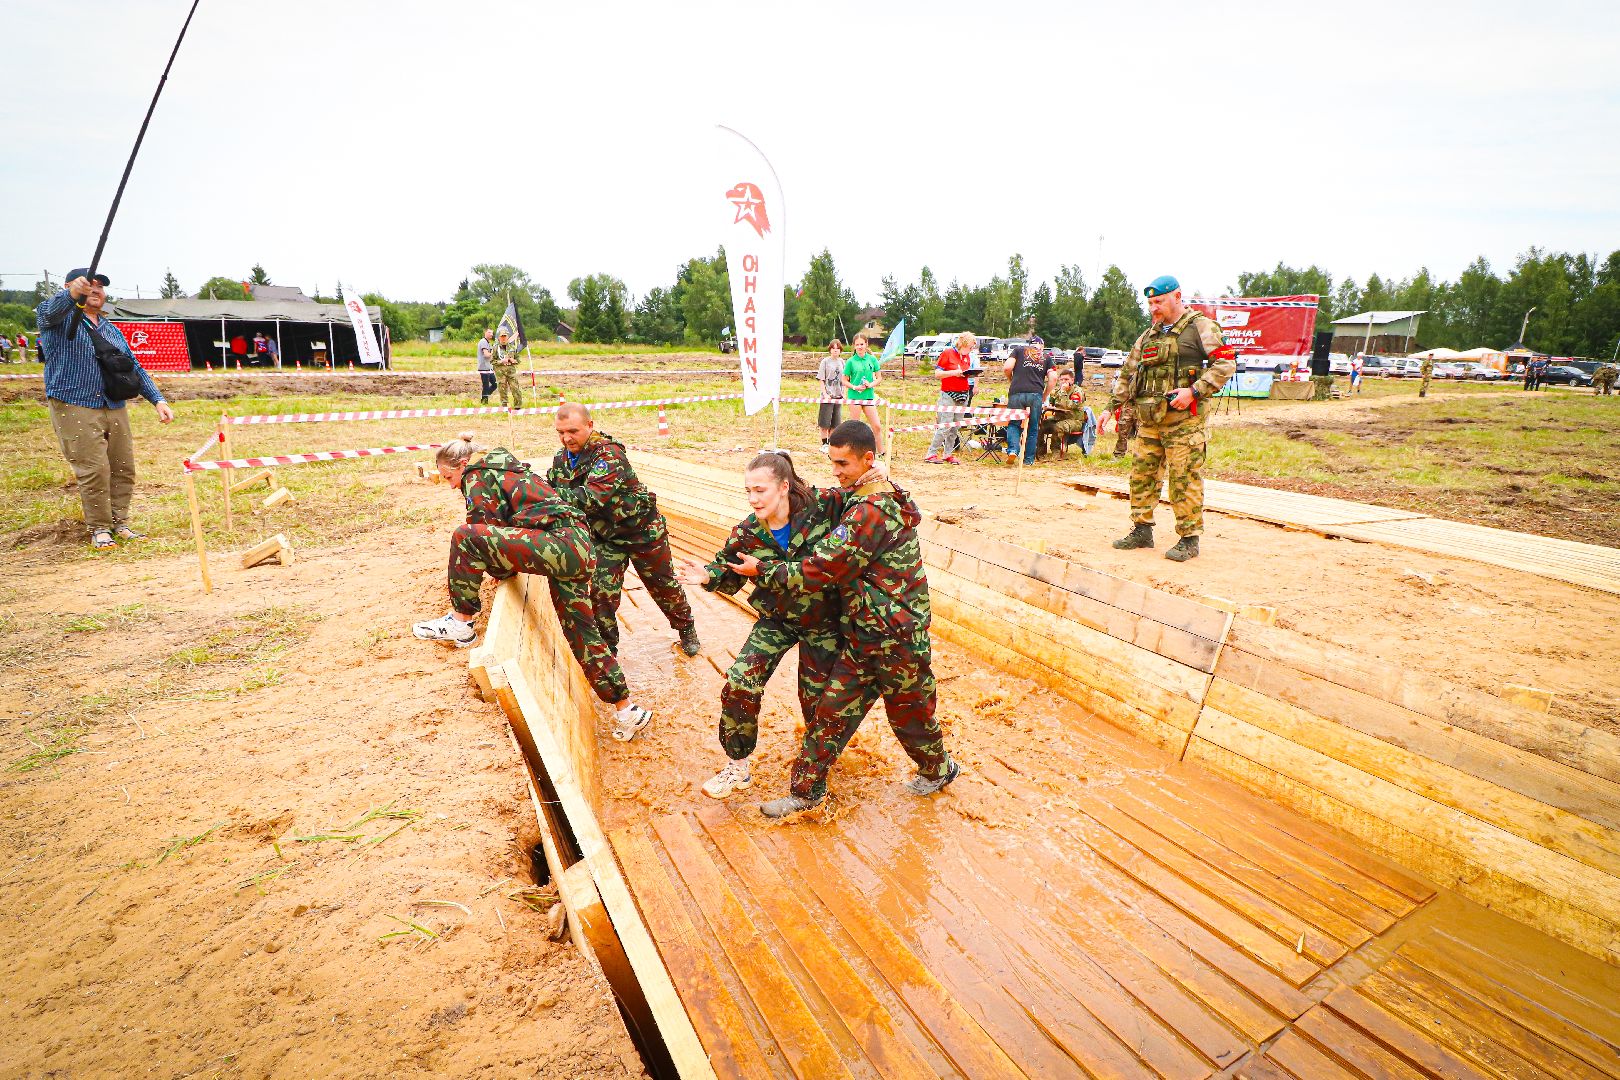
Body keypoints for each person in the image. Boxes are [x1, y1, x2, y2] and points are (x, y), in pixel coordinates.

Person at [727, 420, 957, 818]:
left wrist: (761, 572)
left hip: (898, 639)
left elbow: (819, 569)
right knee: (830, 716)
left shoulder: (871, 510)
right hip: (864, 636)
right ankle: (807, 792)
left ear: (868, 459)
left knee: (911, 717)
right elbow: (826, 497)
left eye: (843, 463)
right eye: (832, 461)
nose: (836, 471)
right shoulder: (866, 492)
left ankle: (939, 768)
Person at [412, 434, 655, 740]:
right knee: (582, 634)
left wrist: (497, 567)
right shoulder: (509, 469)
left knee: (464, 536)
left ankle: (461, 623)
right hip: (580, 547)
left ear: (462, 465)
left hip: (561, 545)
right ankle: (626, 709)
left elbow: (482, 531)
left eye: (450, 477)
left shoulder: (477, 476)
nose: (451, 485)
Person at [674, 451, 847, 799]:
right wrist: (710, 575)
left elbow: (863, 500)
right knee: (740, 682)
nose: (753, 499)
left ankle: (816, 769)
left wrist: (877, 472)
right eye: (748, 491)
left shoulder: (823, 508)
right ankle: (737, 766)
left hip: (824, 623)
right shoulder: (749, 531)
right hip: (778, 620)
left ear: (784, 487)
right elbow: (727, 568)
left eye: (760, 490)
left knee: (817, 702)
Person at [36, 270, 176, 550]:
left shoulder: (111, 330)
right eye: (91, 285)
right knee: (94, 469)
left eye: (101, 287)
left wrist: (157, 399)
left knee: (123, 466)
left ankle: (119, 523)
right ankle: (99, 529)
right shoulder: (60, 319)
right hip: (74, 402)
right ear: (72, 287)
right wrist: (71, 295)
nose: (96, 290)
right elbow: (48, 313)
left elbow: (133, 366)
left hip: (113, 404)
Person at [547, 403, 701, 656]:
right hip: (606, 537)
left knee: (663, 586)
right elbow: (552, 489)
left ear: (590, 425)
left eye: (572, 431)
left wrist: (544, 496)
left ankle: (686, 628)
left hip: (642, 534)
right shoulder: (561, 460)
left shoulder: (609, 454)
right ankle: (608, 648)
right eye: (560, 432)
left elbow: (591, 497)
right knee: (600, 593)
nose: (566, 438)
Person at [1109, 275, 1237, 562]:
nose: (1154, 308)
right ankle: (1142, 530)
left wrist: (1194, 391)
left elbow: (1226, 362)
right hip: (1150, 421)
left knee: (1184, 480)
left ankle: (1189, 539)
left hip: (1184, 423)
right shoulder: (1149, 335)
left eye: (1160, 301)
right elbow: (1129, 372)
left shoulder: (1200, 327)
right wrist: (1111, 407)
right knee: (1142, 476)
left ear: (1177, 296)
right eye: (1151, 302)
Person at [1002, 338, 1056, 465]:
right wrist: (1045, 395)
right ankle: (1028, 460)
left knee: (1014, 424)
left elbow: (1007, 368)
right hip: (1035, 394)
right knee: (1033, 428)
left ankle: (1013, 450)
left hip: (1016, 392)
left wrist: (1012, 379)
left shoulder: (1018, 351)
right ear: (1042, 346)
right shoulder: (1046, 358)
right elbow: (1053, 378)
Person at [924, 332, 975, 465]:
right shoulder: (947, 353)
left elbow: (964, 372)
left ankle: (948, 453)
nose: (970, 350)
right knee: (945, 425)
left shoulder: (967, 357)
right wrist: (954, 373)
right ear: (963, 344)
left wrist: (969, 375)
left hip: (963, 392)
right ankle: (931, 453)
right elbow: (937, 374)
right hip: (948, 393)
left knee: (955, 426)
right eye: (969, 347)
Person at [842, 334, 884, 454]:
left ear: (866, 344)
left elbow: (879, 378)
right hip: (854, 397)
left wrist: (870, 384)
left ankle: (881, 452)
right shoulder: (850, 361)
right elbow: (844, 380)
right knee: (855, 427)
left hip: (868, 397)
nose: (860, 347)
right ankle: (854, 453)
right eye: (857, 345)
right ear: (854, 346)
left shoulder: (872, 359)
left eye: (862, 344)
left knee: (877, 426)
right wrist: (855, 387)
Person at [1039, 369, 1092, 457]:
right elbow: (1051, 403)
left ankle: (1056, 450)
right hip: (1059, 418)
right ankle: (1041, 449)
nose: (1064, 382)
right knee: (1040, 425)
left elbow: (1070, 406)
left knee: (1058, 427)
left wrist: (1063, 392)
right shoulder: (1057, 391)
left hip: (1074, 420)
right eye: (1062, 379)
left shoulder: (1077, 392)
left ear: (1072, 380)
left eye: (1066, 379)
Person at [815, 339, 845, 447]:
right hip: (827, 396)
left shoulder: (842, 362)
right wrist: (825, 394)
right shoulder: (825, 362)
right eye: (833, 348)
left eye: (837, 348)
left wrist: (844, 393)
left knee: (835, 423)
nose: (835, 350)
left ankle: (831, 442)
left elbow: (845, 379)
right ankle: (824, 443)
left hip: (838, 396)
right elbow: (821, 379)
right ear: (830, 349)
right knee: (825, 422)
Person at [493, 329, 522, 408]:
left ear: (507, 337)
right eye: (501, 337)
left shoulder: (512, 347)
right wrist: (501, 361)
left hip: (511, 372)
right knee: (502, 389)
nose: (503, 338)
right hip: (500, 373)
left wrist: (514, 361)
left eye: (504, 336)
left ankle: (518, 405)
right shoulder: (495, 348)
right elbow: (492, 361)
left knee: (515, 388)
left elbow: (518, 360)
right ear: (499, 338)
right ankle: (504, 405)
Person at [476, 328, 497, 405]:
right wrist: (493, 352)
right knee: (486, 385)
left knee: (495, 384)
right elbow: (486, 355)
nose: (491, 334)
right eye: (489, 332)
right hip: (484, 367)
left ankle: (485, 397)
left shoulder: (488, 343)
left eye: (492, 333)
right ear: (485, 333)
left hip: (489, 367)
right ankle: (484, 401)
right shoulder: (483, 342)